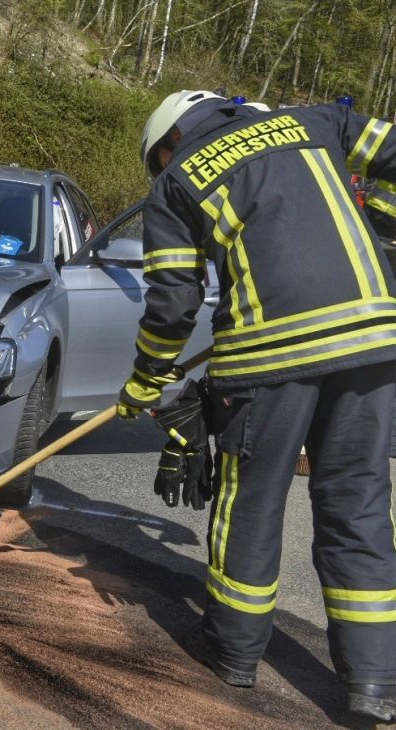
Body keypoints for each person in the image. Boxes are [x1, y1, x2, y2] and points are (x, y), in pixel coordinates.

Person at [118, 89, 396, 720]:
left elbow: (172, 302)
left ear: (168, 144)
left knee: (252, 502)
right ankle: (376, 681)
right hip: (373, 339)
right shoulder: (317, 120)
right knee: (358, 503)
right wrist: (381, 230)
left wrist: (144, 381)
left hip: (267, 359)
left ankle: (231, 651)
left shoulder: (178, 181)